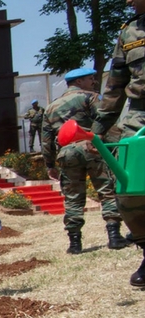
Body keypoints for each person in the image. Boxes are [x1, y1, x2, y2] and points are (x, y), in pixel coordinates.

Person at [43, 68, 129, 254]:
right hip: (93, 147)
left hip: (67, 153)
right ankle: (114, 236)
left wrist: (50, 165)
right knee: (107, 191)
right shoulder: (91, 97)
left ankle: (75, 243)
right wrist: (115, 150)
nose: (94, 81)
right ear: (79, 81)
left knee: (73, 197)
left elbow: (47, 139)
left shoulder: (51, 107)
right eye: (91, 78)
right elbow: (107, 122)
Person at [94, 0, 145, 288]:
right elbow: (115, 85)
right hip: (140, 114)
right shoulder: (128, 32)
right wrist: (98, 131)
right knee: (129, 191)